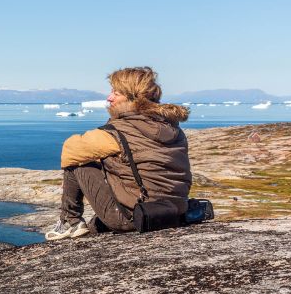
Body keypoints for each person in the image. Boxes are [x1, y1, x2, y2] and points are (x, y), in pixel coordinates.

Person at [44, 66, 192, 241]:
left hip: (137, 216)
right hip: (174, 213)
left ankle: (69, 221)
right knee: (96, 224)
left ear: (133, 97)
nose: (109, 97)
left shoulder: (119, 131)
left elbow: (71, 149)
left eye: (116, 93)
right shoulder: (173, 128)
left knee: (78, 164)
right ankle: (91, 226)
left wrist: (102, 158)